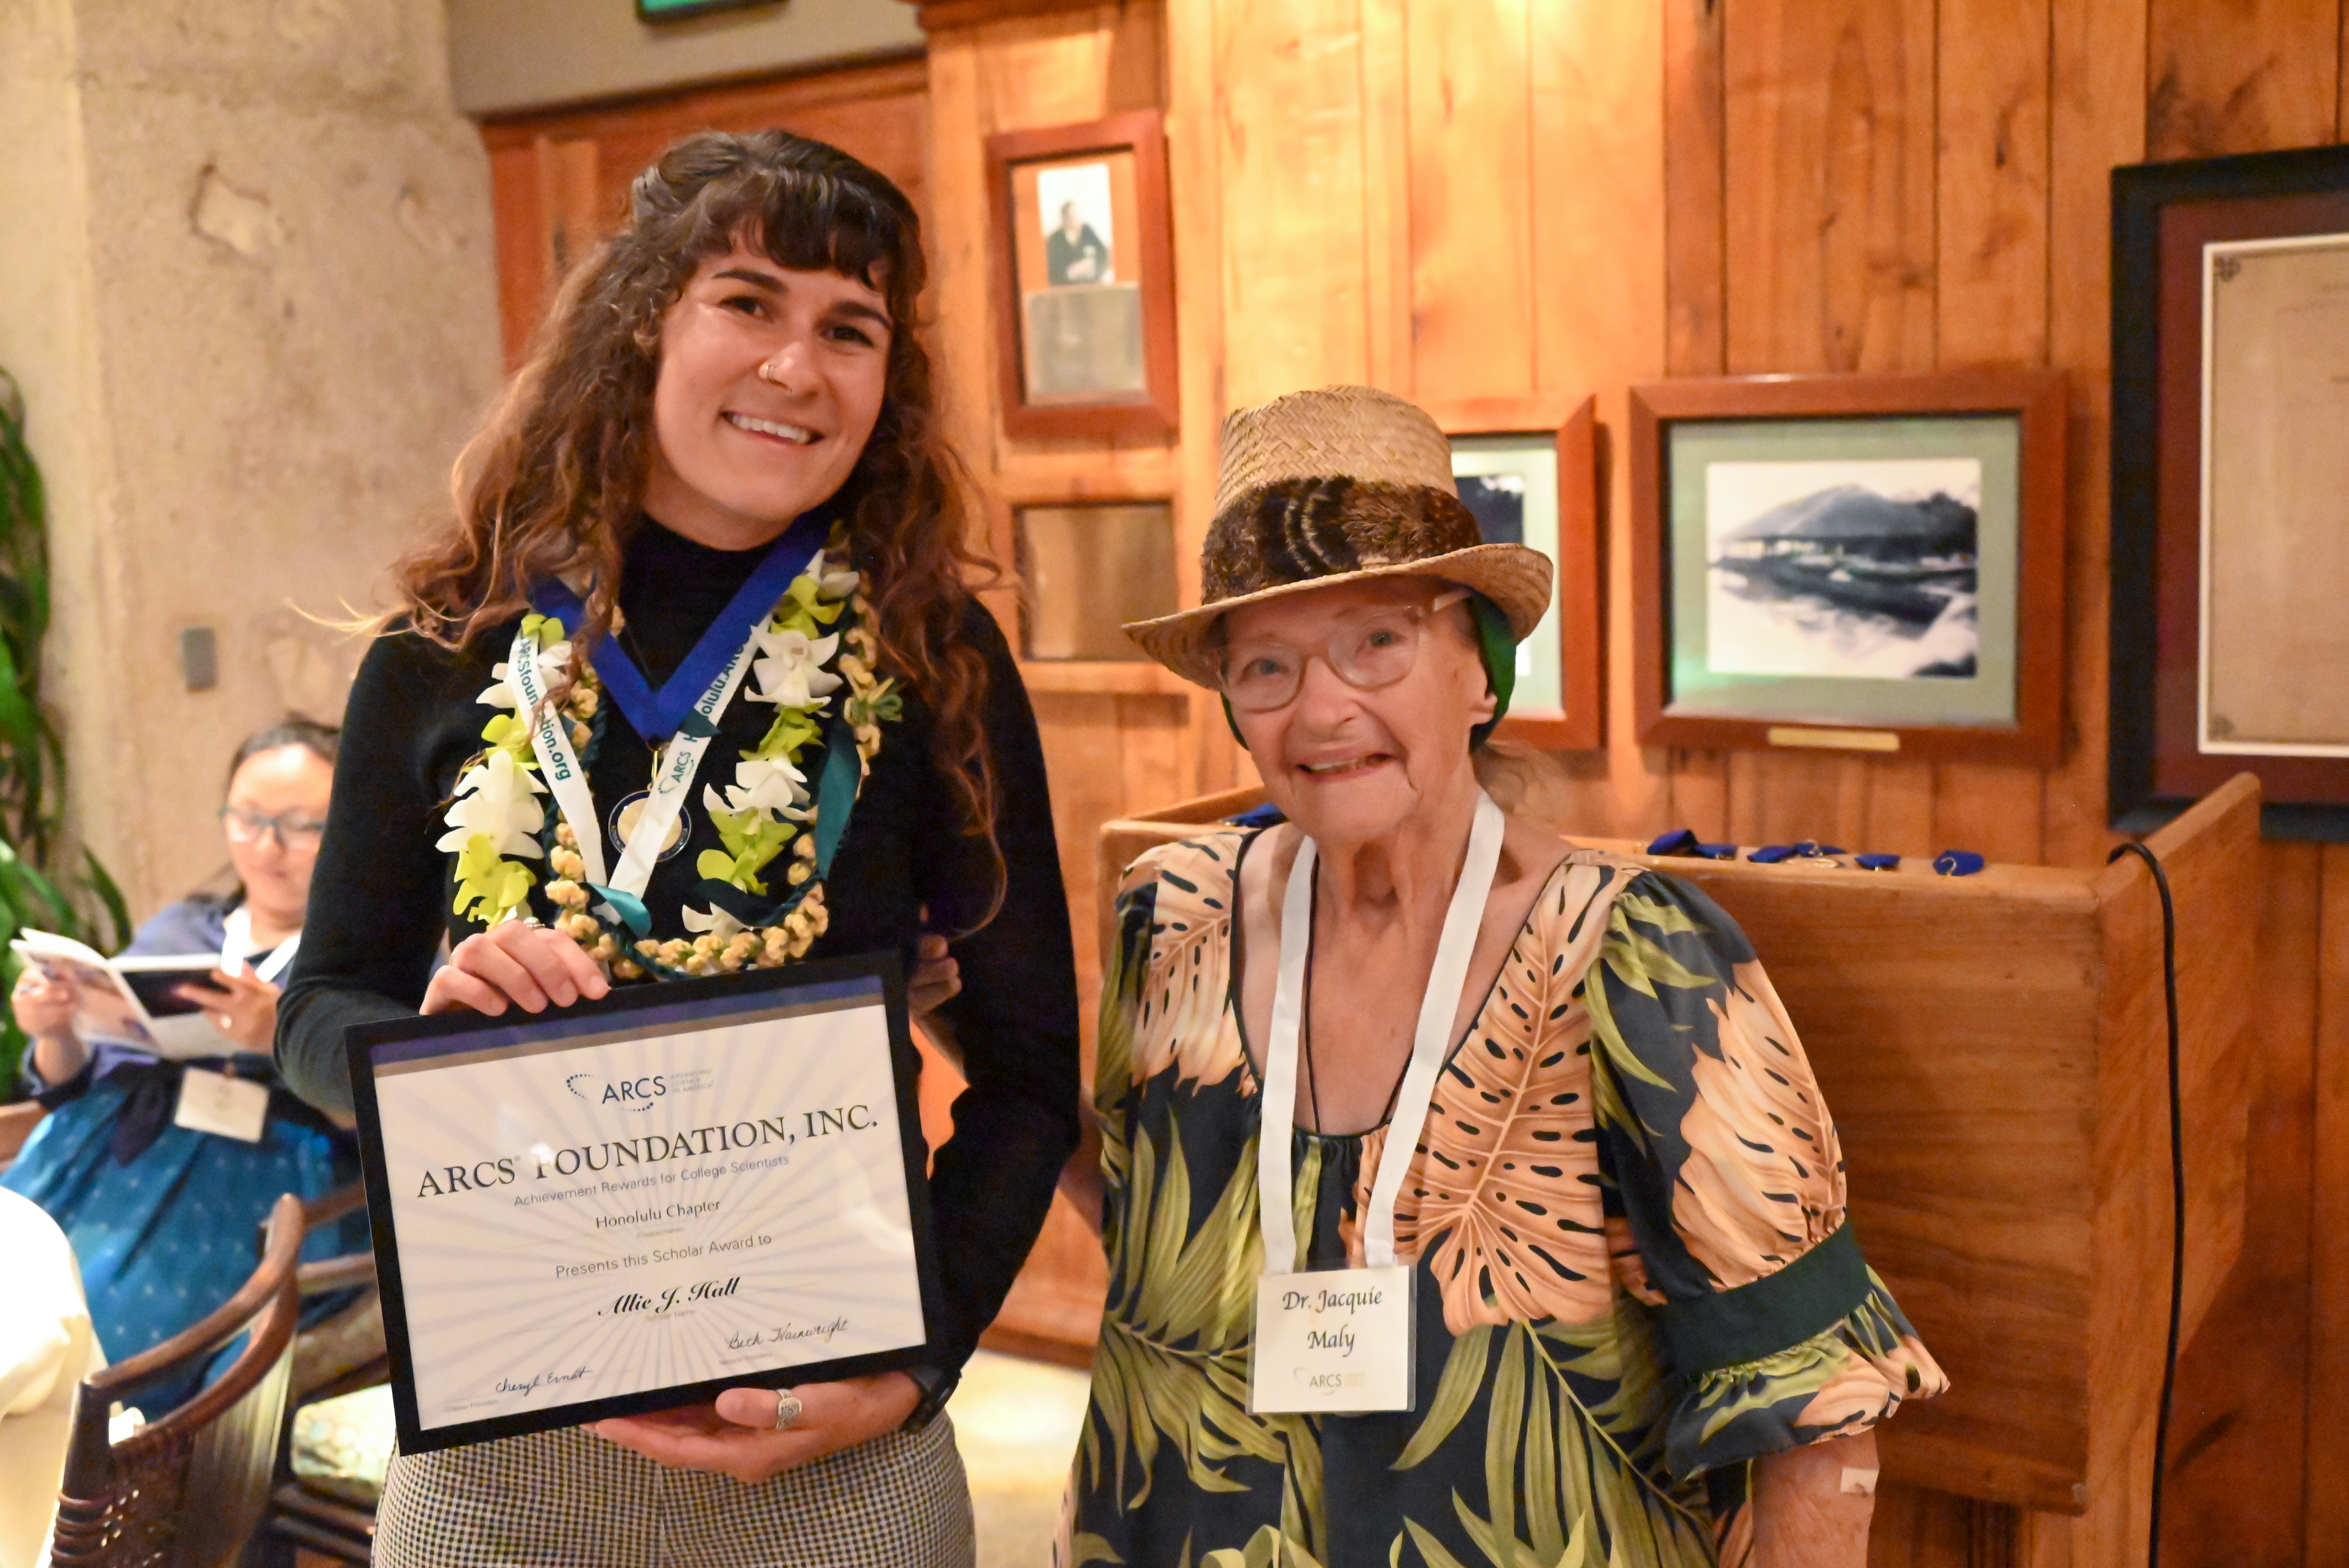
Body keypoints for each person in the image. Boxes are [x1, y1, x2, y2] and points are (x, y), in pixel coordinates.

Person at [274, 129, 1079, 1568]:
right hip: (504, 1455)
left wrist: (918, 1363)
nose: (794, 368)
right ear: (645, 321)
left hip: (831, 1465)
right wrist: (420, 1051)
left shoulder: (929, 658)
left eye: (849, 329)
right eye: (749, 302)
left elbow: (1027, 1078)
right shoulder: (443, 650)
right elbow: (317, 1008)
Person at [1071, 386, 1947, 1568]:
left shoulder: (1631, 958)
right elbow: (1151, 1226)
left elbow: (1816, 1412)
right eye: (1266, 664)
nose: (1322, 707)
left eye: (1376, 641)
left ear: (1480, 674)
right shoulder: (1170, 914)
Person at [3, 718, 362, 1409]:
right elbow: (74, 1076)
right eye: (248, 819)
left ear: (350, 822)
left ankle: (87, 1501)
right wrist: (54, 1030)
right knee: (21, 1299)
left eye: (299, 825)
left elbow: (390, 1117)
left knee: (104, 1338)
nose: (267, 847)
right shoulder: (184, 927)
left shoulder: (365, 959)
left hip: (265, 1179)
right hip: (110, 1150)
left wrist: (280, 1041)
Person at [1045, 200, 1109, 285]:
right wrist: (1070, 273)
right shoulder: (1055, 239)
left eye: (1078, 217)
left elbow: (1103, 253)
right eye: (1072, 218)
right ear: (1064, 219)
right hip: (1066, 288)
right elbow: (1052, 271)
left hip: (1090, 284)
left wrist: (1094, 269)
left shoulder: (1087, 230)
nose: (1076, 221)